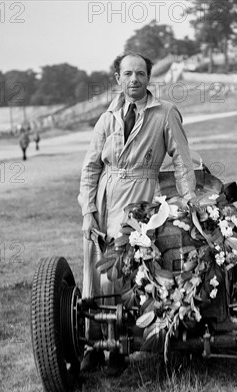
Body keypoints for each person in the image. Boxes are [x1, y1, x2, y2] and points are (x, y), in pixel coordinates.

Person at [78, 53, 196, 373]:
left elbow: (182, 162)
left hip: (140, 199)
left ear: (149, 78)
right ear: (118, 78)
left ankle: (119, 347)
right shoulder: (107, 118)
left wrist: (189, 203)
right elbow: (90, 168)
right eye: (127, 73)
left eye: (140, 74)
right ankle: (93, 344)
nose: (134, 80)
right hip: (105, 198)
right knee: (95, 273)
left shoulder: (165, 113)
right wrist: (88, 211)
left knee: (126, 271)